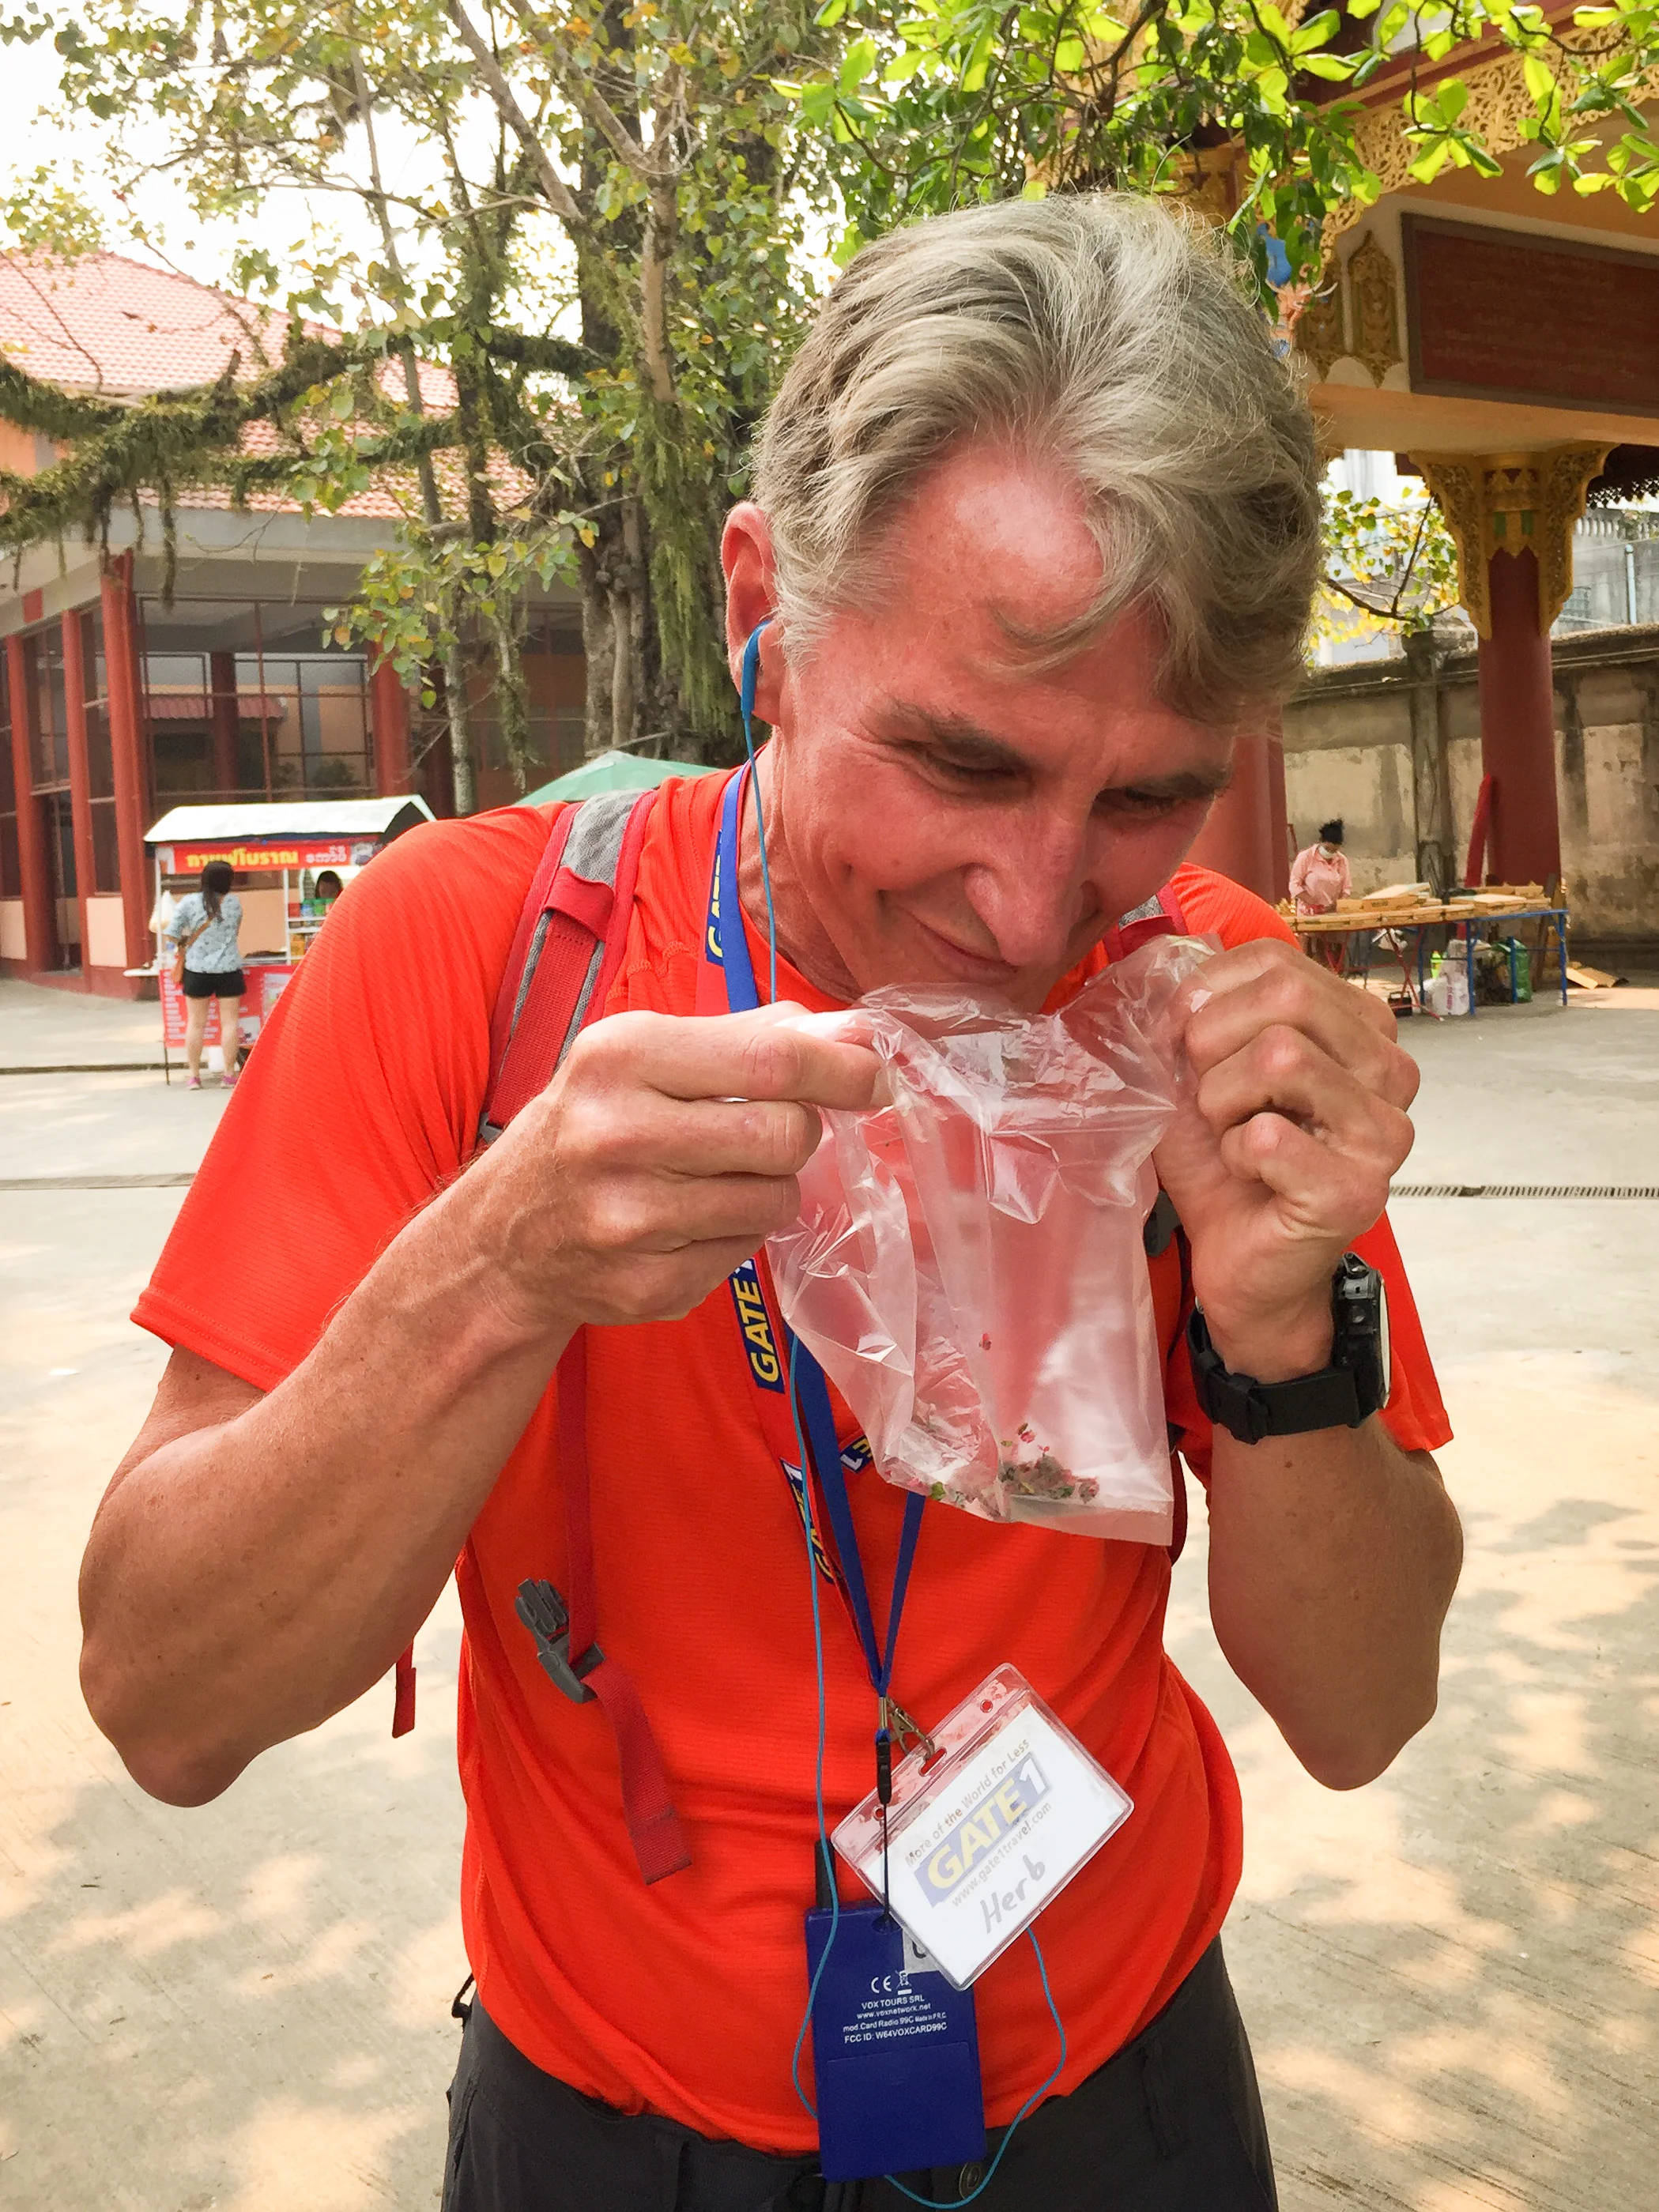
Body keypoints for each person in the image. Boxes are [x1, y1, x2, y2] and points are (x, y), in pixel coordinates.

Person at [80, 196, 1460, 2212]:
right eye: (955, 758)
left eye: (1143, 793)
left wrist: (1278, 1337)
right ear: (765, 606)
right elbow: (164, 1698)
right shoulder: (473, 958)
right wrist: (494, 1264)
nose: (1026, 902)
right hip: (606, 2121)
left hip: (1116, 2091)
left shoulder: (1199, 999)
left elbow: (1361, 1709)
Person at [166, 859, 245, 1091]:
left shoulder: (189, 902)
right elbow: (235, 931)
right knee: (229, 1023)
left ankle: (194, 1076)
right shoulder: (234, 903)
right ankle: (229, 1075)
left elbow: (171, 934)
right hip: (229, 969)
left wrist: (184, 943)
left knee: (196, 1023)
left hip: (197, 970)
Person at [1290, 819, 1352, 914]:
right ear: (1321, 842)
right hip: (1308, 913)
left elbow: (1347, 888)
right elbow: (1294, 885)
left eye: (1334, 851)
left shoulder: (1342, 860)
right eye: (1327, 849)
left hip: (1334, 913)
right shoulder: (1306, 857)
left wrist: (1338, 904)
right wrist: (1312, 902)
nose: (1330, 853)